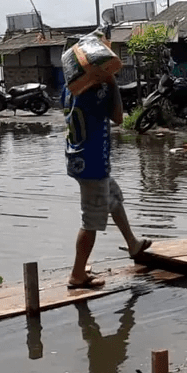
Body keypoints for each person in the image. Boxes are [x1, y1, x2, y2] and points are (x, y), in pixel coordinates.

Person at [63, 70, 151, 289]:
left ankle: (132, 243)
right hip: (92, 162)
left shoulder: (70, 87)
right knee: (91, 219)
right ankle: (77, 274)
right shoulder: (93, 92)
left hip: (80, 157)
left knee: (113, 197)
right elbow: (119, 118)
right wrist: (112, 84)